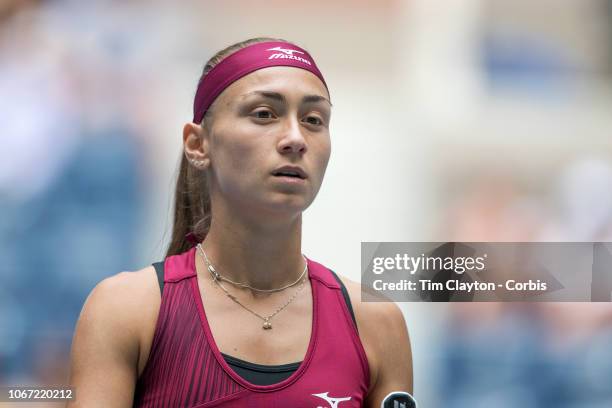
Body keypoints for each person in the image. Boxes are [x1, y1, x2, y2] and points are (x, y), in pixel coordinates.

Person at [66, 37, 413, 407]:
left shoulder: (375, 323)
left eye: (314, 120)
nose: (295, 138)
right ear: (198, 144)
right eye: (264, 114)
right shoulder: (127, 309)